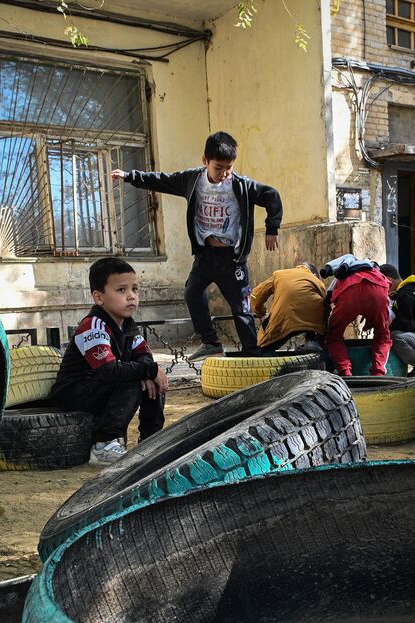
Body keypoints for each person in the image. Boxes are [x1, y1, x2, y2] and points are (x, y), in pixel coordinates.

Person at [110, 131, 283, 359]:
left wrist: (272, 228)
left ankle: (252, 351)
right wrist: (129, 176)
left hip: (232, 259)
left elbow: (272, 195)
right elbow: (161, 180)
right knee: (192, 293)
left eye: (228, 167)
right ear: (205, 161)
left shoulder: (241, 186)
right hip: (204, 255)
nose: (223, 173)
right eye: (218, 167)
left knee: (241, 309)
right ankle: (211, 341)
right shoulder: (192, 180)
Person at [52, 257, 167, 466]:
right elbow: (109, 371)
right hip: (75, 393)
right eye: (121, 290)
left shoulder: (127, 326)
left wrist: (150, 371)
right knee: (133, 378)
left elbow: (143, 354)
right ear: (99, 297)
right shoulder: (93, 325)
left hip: (102, 388)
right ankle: (104, 443)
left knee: (153, 380)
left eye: (135, 289)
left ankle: (151, 440)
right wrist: (148, 369)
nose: (131, 296)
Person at [321, 254, 392, 377]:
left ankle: (345, 372)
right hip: (378, 288)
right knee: (382, 335)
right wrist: (373, 319)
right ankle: (378, 372)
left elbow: (328, 299)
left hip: (349, 291)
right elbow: (387, 307)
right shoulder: (375, 270)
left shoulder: (342, 273)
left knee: (333, 337)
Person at [249, 263, 329, 352]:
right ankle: (312, 341)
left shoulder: (279, 275)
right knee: (316, 315)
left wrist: (260, 312)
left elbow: (255, 295)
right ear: (314, 274)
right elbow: (326, 304)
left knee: (264, 348)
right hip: (313, 323)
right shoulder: (316, 280)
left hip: (284, 319)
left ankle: (265, 355)